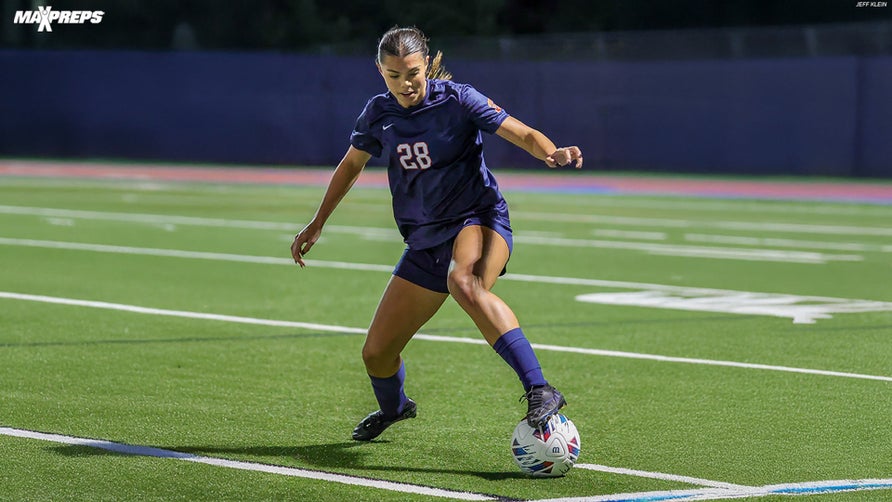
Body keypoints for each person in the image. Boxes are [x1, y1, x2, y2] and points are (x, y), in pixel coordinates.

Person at [291, 26, 583, 441]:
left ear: (426, 63)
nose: (405, 83)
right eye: (394, 75)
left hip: (477, 218)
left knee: (464, 280)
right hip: (425, 239)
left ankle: (540, 388)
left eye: (412, 72)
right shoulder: (378, 114)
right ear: (380, 71)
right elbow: (351, 165)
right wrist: (318, 221)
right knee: (377, 353)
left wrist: (550, 152)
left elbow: (522, 133)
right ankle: (394, 408)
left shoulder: (459, 100)